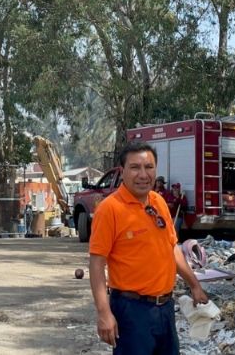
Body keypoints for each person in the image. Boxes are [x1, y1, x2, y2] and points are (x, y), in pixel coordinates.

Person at [89, 142, 209, 353]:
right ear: (122, 171)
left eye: (149, 167)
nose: (143, 174)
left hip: (165, 308)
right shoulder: (110, 209)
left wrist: (194, 285)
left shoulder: (158, 202)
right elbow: (97, 264)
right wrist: (104, 313)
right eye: (135, 167)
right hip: (132, 311)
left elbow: (172, 248)